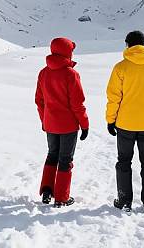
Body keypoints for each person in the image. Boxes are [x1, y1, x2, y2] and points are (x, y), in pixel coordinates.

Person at [105, 30, 144, 212]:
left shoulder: (120, 67)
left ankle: (124, 200)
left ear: (127, 44)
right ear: (143, 44)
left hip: (125, 123)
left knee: (124, 161)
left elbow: (113, 97)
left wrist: (110, 120)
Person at [35, 37, 89, 207]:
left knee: (52, 155)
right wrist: (84, 124)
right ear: (67, 52)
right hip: (68, 126)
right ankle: (61, 197)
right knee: (65, 160)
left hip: (50, 124)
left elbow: (39, 101)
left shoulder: (43, 72)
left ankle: (47, 191)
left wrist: (44, 120)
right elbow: (77, 104)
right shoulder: (71, 74)